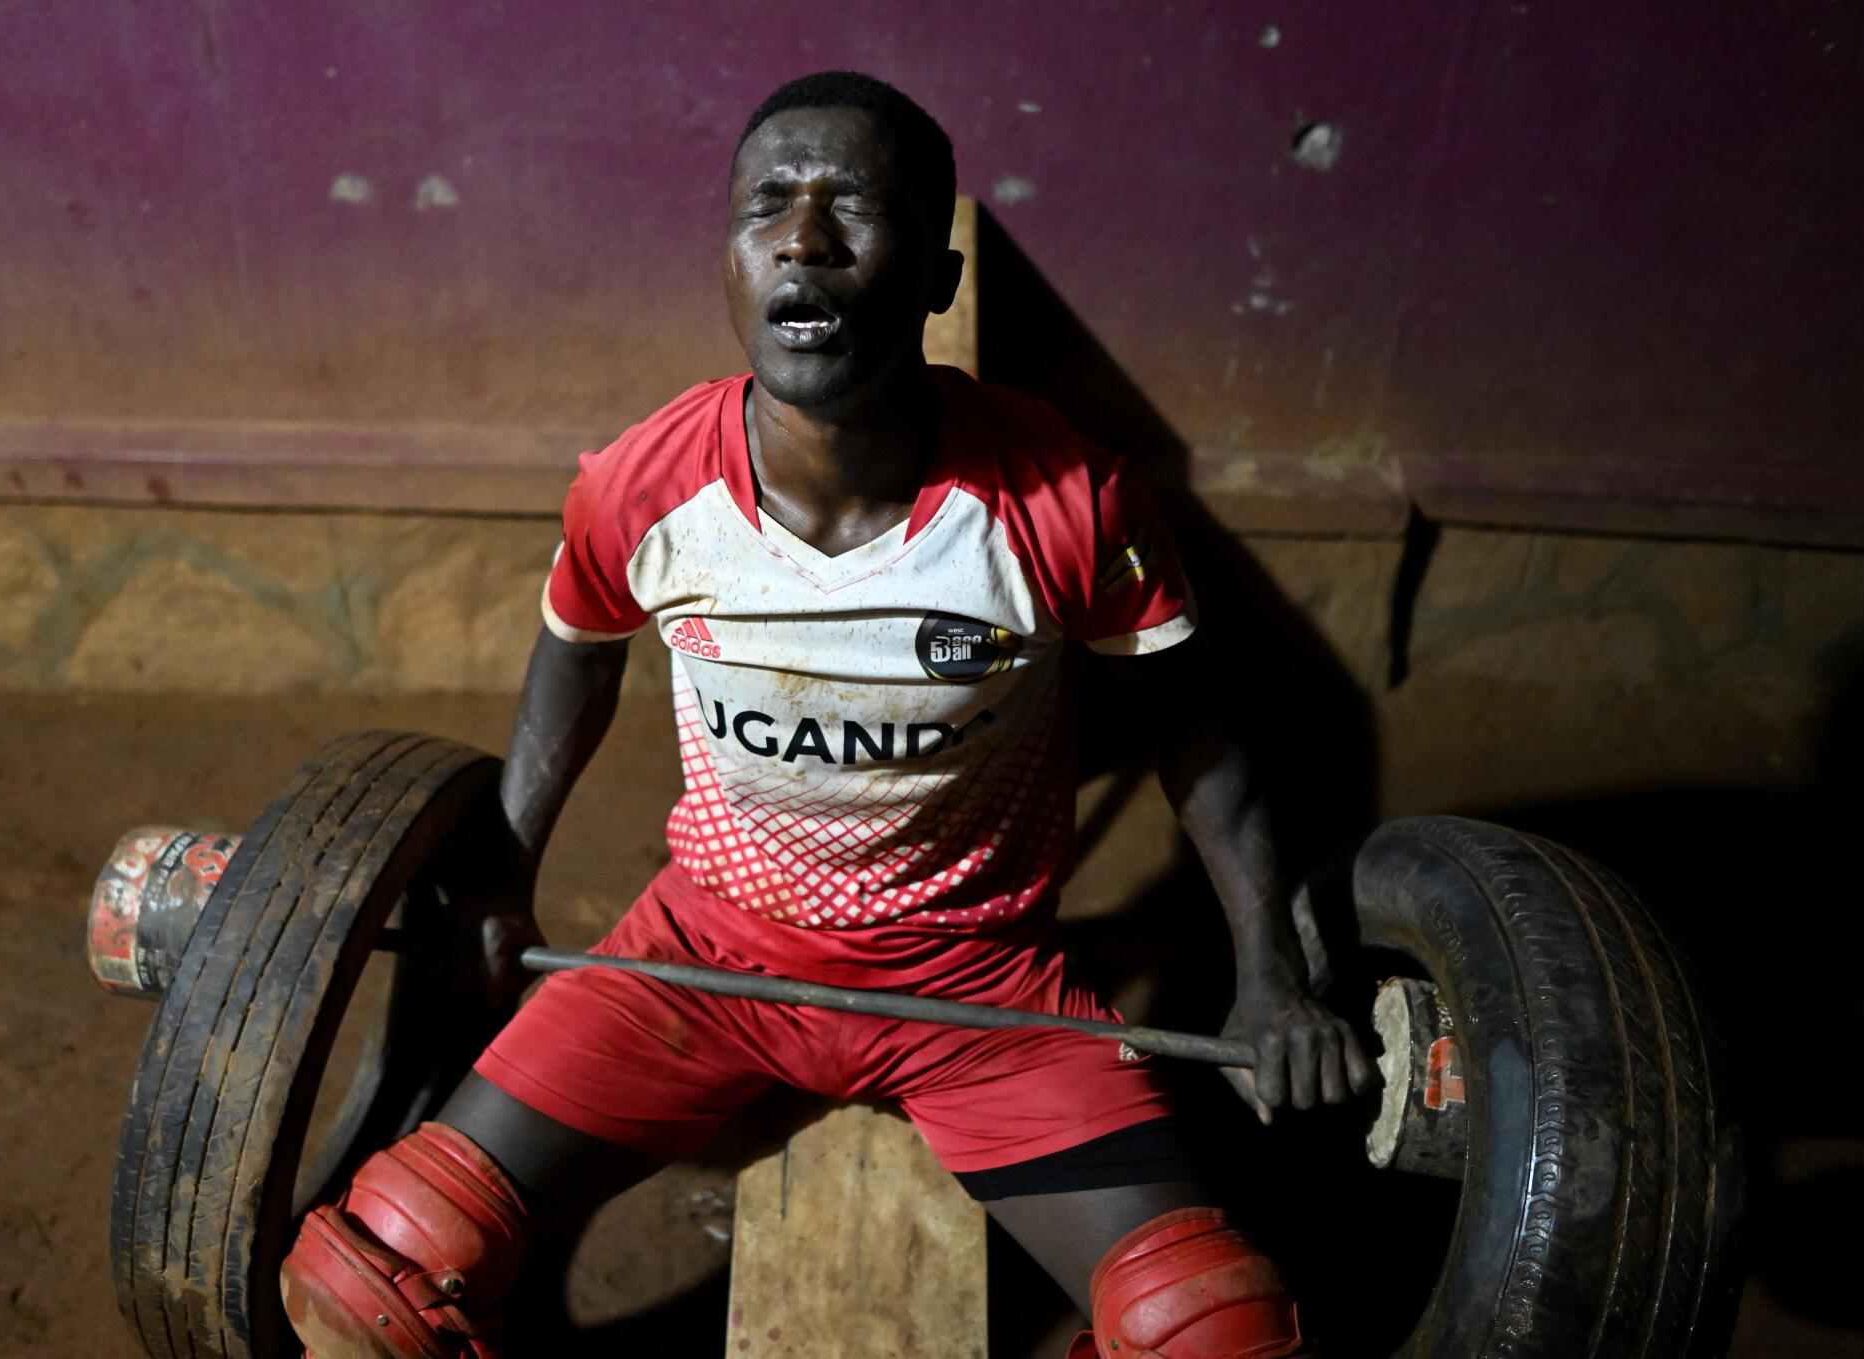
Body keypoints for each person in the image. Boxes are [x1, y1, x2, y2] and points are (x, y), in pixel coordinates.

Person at [280, 70, 1374, 1359]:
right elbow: (574, 655)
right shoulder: (642, 489)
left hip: (981, 987)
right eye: (767, 210)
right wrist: (506, 876)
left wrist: (1271, 977)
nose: (803, 239)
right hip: (703, 961)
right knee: (383, 1277)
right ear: (730, 264)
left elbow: (1202, 731)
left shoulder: (1067, 502)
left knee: (1214, 1336)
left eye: (855, 207)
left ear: (935, 279)